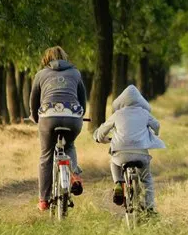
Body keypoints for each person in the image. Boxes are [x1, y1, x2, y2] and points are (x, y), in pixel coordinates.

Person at [30, 46, 86, 212]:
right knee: (69, 146)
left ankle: (44, 200)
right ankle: (74, 175)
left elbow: (34, 101)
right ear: (64, 57)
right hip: (73, 116)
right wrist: (79, 115)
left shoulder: (40, 75)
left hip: (48, 117)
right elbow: (82, 100)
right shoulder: (75, 73)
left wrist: (35, 118)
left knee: (46, 155)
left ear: (47, 59)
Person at [93, 85, 165, 211]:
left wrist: (99, 138)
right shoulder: (144, 113)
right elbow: (156, 125)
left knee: (114, 163)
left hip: (121, 154)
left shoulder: (117, 114)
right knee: (146, 179)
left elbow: (101, 132)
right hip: (141, 153)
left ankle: (118, 183)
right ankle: (149, 207)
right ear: (141, 101)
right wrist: (155, 134)